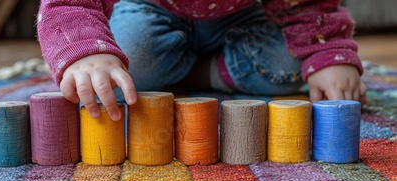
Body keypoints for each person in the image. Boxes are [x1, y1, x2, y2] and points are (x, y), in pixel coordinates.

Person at [37, 0, 366, 121]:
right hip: (151, 13)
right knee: (123, 67)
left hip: (241, 19)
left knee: (292, 66)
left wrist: (326, 51)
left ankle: (196, 71)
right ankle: (196, 67)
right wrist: (88, 52)